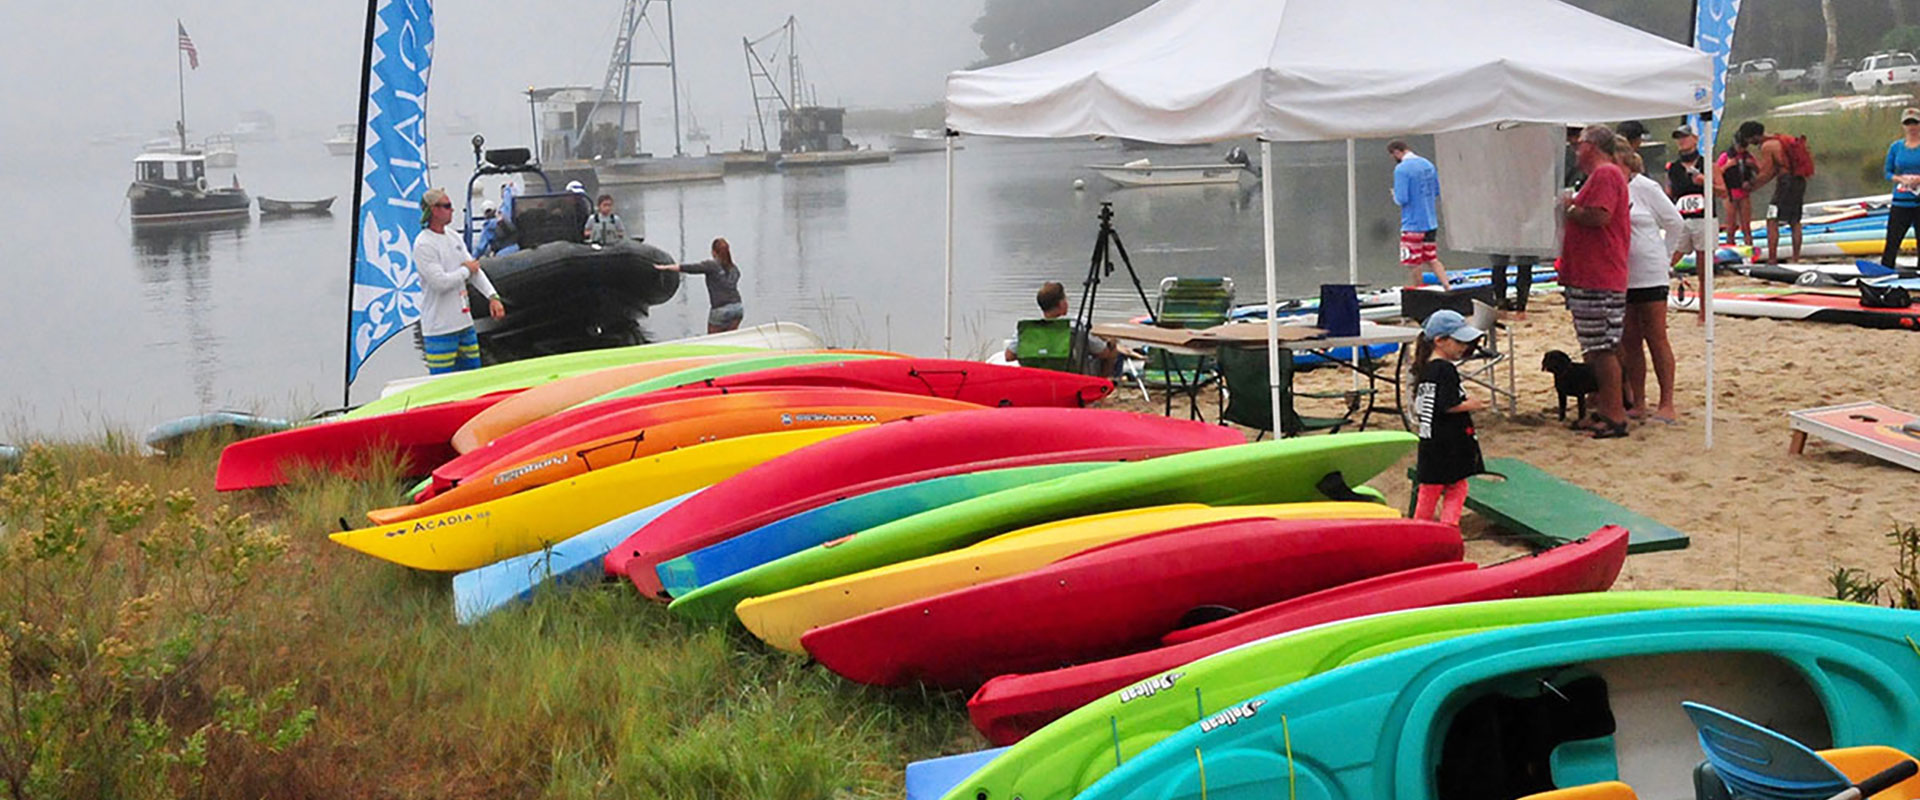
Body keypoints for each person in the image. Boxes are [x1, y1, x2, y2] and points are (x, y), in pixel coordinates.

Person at [1559, 124, 1633, 440]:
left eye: (1580, 143)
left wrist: (1570, 208)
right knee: (1596, 345)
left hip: (1599, 274)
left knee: (1602, 347)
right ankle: (1606, 406)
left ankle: (1615, 414)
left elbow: (1600, 215)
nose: (1576, 148)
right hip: (1590, 274)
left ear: (1593, 146)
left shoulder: (1606, 174)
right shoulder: (1602, 176)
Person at [1617, 148, 1685, 425]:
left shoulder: (1645, 187)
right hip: (1622, 273)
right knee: (1630, 338)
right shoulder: (1609, 186)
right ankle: (1639, 400)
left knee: (1656, 336)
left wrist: (1666, 256)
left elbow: (1675, 222)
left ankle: (1666, 403)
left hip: (1650, 271)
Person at [411, 187, 506, 374]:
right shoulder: (424, 244)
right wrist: (465, 271)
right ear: (434, 210)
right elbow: (440, 283)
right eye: (447, 206)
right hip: (440, 329)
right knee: (443, 382)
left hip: (464, 324)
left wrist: (492, 296)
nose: (452, 210)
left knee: (473, 375)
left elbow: (475, 268)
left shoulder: (453, 237)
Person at [1410, 309, 1486, 527]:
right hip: (1450, 441)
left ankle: (1419, 529)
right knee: (1457, 486)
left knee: (1429, 489)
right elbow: (1446, 405)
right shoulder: (1445, 369)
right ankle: (1449, 527)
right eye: (1459, 342)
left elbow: (1426, 405)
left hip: (1429, 440)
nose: (1464, 348)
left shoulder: (1424, 367)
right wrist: (1472, 404)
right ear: (1440, 341)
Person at [1001, 281, 1122, 377]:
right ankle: (1100, 388)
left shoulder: (1027, 329)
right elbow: (1103, 352)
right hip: (1074, 376)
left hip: (1041, 378)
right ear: (1061, 304)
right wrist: (1111, 343)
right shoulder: (1075, 327)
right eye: (1065, 299)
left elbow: (1009, 356)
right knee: (1112, 351)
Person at [1388, 140, 1450, 289]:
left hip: (1413, 223)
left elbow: (1402, 198)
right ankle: (1448, 287)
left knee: (1413, 261)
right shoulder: (1427, 164)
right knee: (1432, 258)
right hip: (1430, 221)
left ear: (1397, 152)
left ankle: (1419, 290)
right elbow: (1436, 191)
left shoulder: (1401, 169)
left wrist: (1394, 195)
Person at [1744, 120, 1809, 265]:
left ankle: (1772, 259)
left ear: (1754, 136)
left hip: (1785, 184)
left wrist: (1751, 186)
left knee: (1772, 219)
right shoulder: (1780, 139)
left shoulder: (1767, 146)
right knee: (1795, 221)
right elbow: (1776, 169)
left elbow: (1767, 173)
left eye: (1749, 139)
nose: (1749, 142)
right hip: (1799, 181)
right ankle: (1796, 258)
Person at [655, 237, 744, 333]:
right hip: (738, 307)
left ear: (714, 252)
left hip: (720, 309)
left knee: (713, 341)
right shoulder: (734, 269)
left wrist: (665, 267)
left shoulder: (711, 265)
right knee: (729, 339)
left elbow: (690, 268)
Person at [1666, 124, 1711, 302]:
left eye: (1685, 137)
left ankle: (1704, 310)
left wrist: (1705, 182)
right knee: (1672, 255)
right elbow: (1668, 194)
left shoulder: (1707, 163)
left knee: (1703, 266)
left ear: (1695, 139)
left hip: (1703, 218)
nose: (1682, 141)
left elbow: (1723, 192)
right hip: (1681, 218)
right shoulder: (1673, 168)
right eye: (1679, 138)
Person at [1882, 107, 1920, 269]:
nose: (1911, 127)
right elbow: (1888, 172)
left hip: (1918, 201)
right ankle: (1885, 271)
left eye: (1915, 123)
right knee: (1892, 241)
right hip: (1900, 201)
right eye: (1908, 124)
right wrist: (1900, 179)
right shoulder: (1896, 147)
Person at [1715, 134, 1758, 249]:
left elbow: (1758, 171)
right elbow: (1717, 173)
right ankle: (1730, 246)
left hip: (1743, 193)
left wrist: (1752, 165)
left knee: (1746, 225)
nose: (1742, 149)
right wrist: (1728, 165)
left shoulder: (1748, 156)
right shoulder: (1725, 156)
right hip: (1730, 194)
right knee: (1731, 225)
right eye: (1740, 147)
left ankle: (1749, 246)